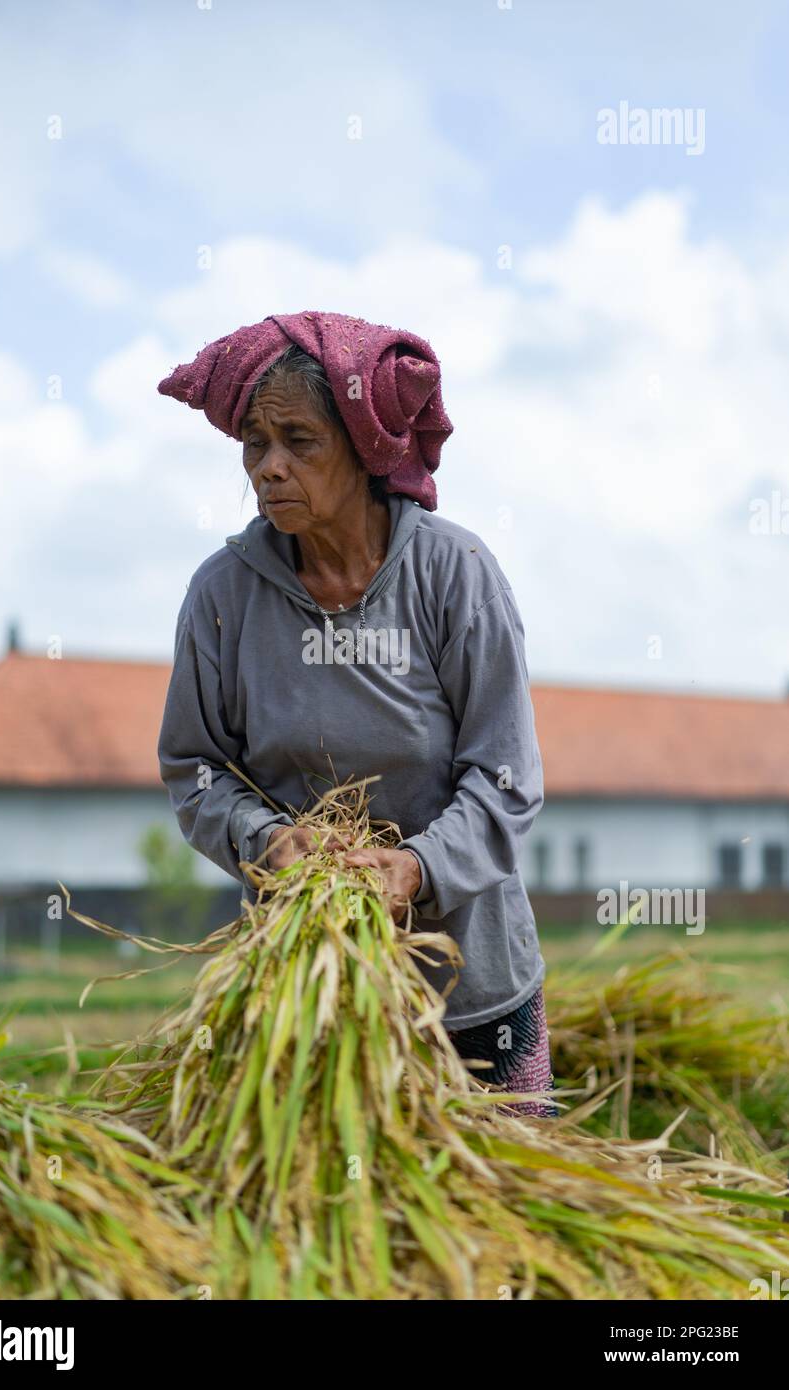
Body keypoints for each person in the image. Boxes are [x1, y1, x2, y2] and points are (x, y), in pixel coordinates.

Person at [156, 311, 554, 1115]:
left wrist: (414, 868)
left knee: (501, 1222)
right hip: (307, 995)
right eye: (254, 445)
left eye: (299, 441)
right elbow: (194, 770)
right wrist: (269, 842)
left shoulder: (455, 574)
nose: (269, 468)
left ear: (365, 449)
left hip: (467, 988)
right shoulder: (223, 596)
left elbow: (506, 779)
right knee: (318, 1219)